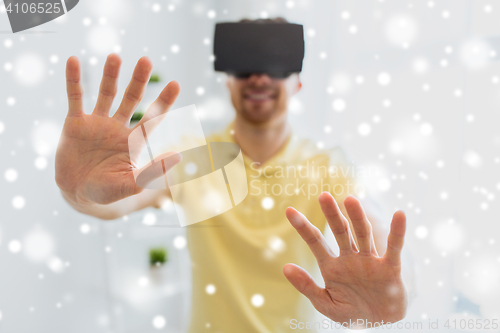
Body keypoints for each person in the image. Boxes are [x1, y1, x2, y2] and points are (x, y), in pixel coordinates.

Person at [56, 17, 412, 333]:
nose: (258, 77)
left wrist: (391, 294)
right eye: (243, 66)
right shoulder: (191, 156)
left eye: (275, 65)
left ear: (298, 83)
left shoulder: (327, 166)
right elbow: (122, 199)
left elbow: (377, 238)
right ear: (227, 81)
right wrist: (81, 194)